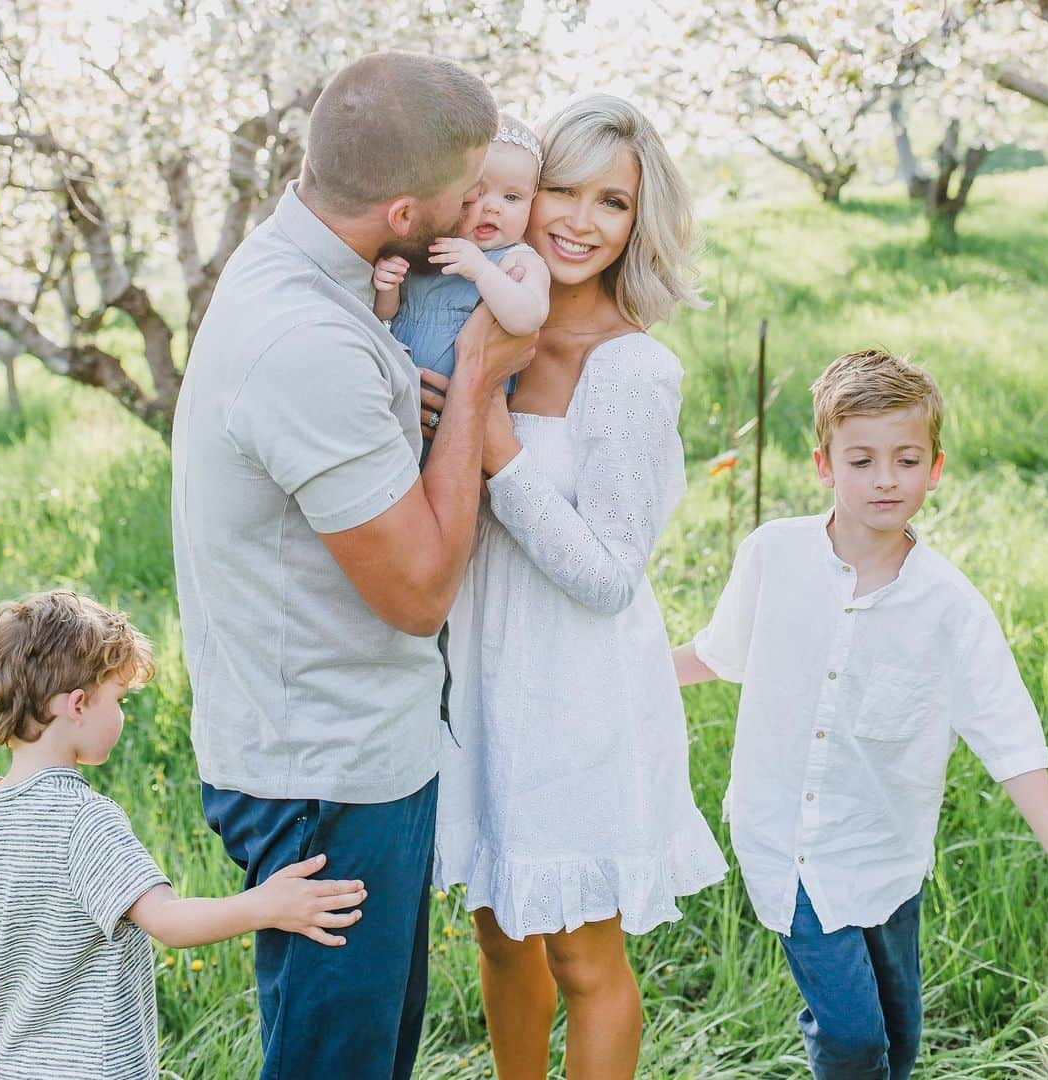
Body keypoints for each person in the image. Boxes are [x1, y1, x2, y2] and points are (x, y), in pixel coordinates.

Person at [170, 51, 534, 1080]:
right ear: (408, 214)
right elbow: (418, 593)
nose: (487, 215)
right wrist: (474, 388)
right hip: (324, 772)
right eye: (471, 197)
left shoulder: (302, 262)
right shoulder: (301, 340)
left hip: (342, 743)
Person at [425, 95, 727, 1080]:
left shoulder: (631, 370)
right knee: (502, 935)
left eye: (612, 201)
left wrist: (495, 438)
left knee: (582, 953)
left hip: (580, 692)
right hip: (479, 677)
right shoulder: (473, 323)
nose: (577, 219)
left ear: (639, 224)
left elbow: (606, 577)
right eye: (561, 187)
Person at [671, 350, 1048, 1080]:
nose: (885, 479)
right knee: (851, 1037)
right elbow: (718, 655)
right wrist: (619, 676)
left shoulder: (949, 605)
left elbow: (1010, 737)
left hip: (886, 855)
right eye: (862, 460)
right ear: (823, 464)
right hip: (788, 849)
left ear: (934, 469)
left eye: (906, 460)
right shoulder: (773, 555)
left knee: (897, 1035)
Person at [0, 591, 366, 1080]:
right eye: (118, 700)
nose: (122, 716)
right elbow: (168, 920)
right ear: (77, 705)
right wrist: (270, 904)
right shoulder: (83, 822)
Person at [375, 113, 550, 463]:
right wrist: (388, 284)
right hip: (396, 410)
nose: (493, 207)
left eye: (512, 197)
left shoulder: (516, 261)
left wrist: (483, 272)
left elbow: (527, 317)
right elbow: (386, 314)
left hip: (468, 425)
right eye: (479, 192)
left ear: (533, 201)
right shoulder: (432, 247)